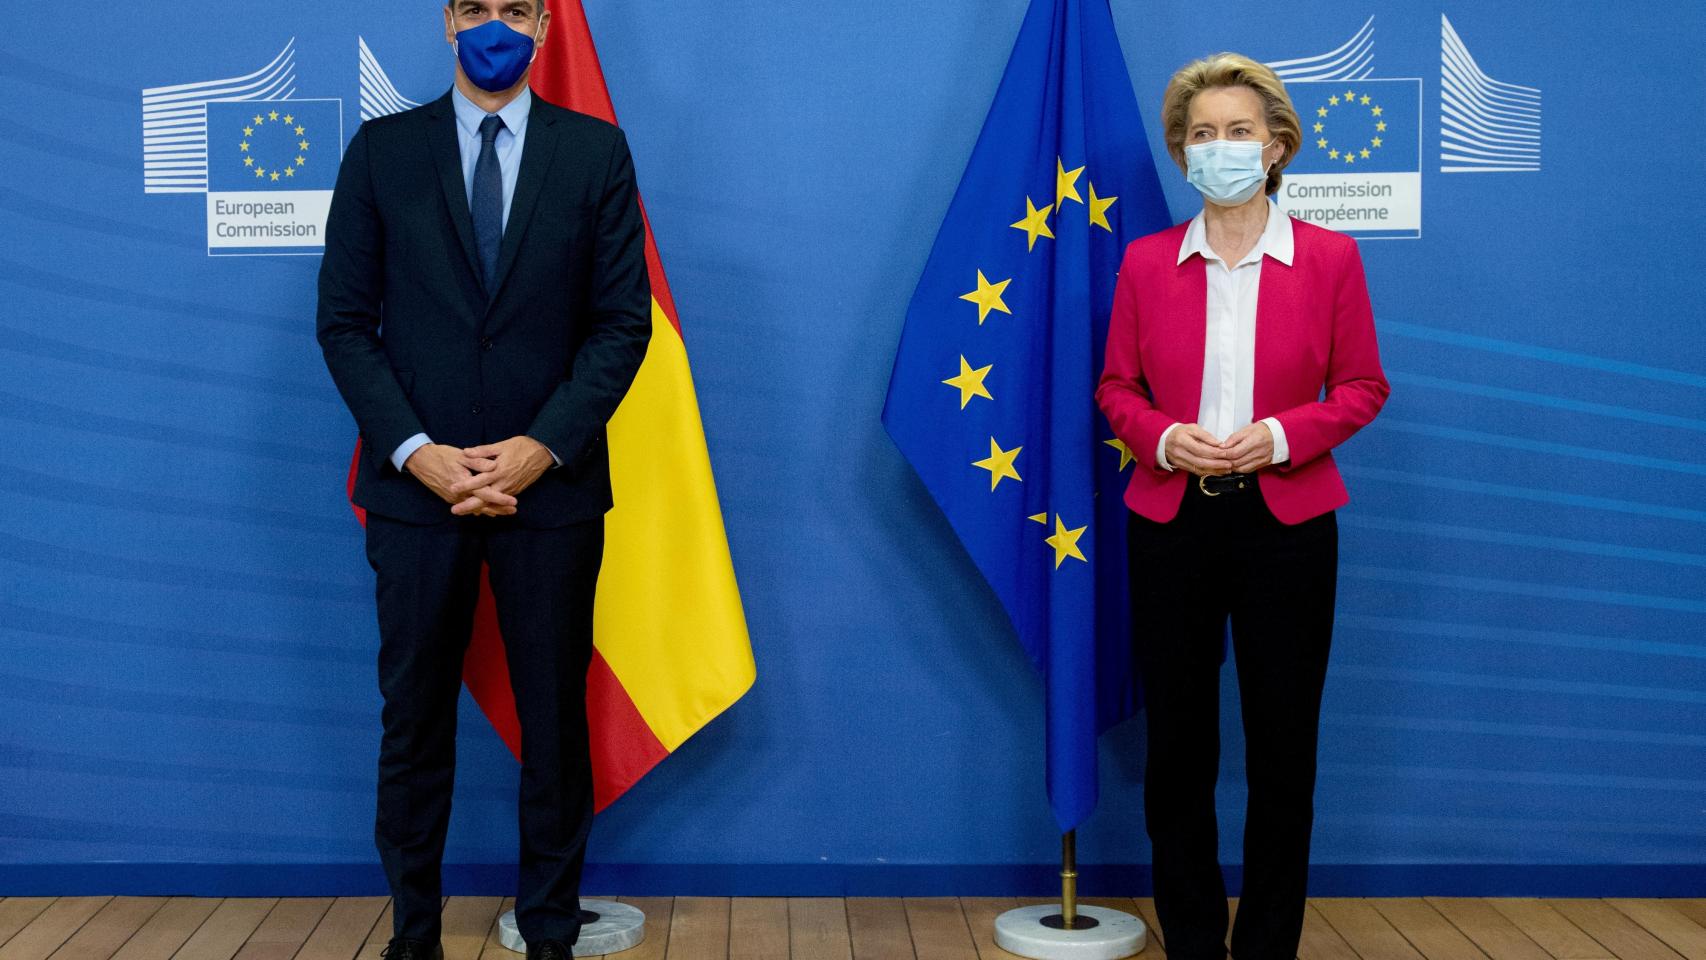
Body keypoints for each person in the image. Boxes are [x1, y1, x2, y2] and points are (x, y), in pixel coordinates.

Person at [315, 0, 651, 956]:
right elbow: (344, 323)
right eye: (475, 8)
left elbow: (622, 324)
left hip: (552, 491)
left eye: (514, 9)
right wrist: (419, 453)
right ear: (447, 23)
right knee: (414, 723)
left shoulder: (595, 154)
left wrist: (540, 447)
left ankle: (551, 932)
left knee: (554, 723)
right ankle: (412, 936)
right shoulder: (383, 152)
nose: (493, 25)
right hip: (415, 496)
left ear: (543, 29)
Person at [1095, 52, 1389, 960]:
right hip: (1171, 522)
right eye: (1202, 134)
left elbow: (1362, 387)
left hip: (1287, 527)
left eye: (1240, 132)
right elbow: (1116, 388)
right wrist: (1161, 438)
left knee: (1283, 749)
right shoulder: (1147, 262)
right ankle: (1191, 940)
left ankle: (1266, 947)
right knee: (1178, 751)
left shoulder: (1331, 258)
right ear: (1182, 153)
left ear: (1277, 147)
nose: (1220, 147)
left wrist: (1281, 436)